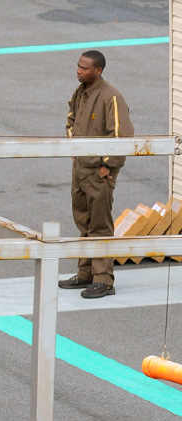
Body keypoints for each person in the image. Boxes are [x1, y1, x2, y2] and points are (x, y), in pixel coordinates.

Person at [59, 50, 134, 299]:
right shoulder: (80, 92)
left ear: (98, 70)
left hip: (98, 172)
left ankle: (104, 280)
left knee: (100, 224)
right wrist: (74, 149)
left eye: (84, 68)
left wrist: (108, 166)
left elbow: (122, 135)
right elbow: (71, 120)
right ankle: (86, 272)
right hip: (80, 167)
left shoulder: (110, 96)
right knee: (83, 220)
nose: (79, 71)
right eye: (78, 66)